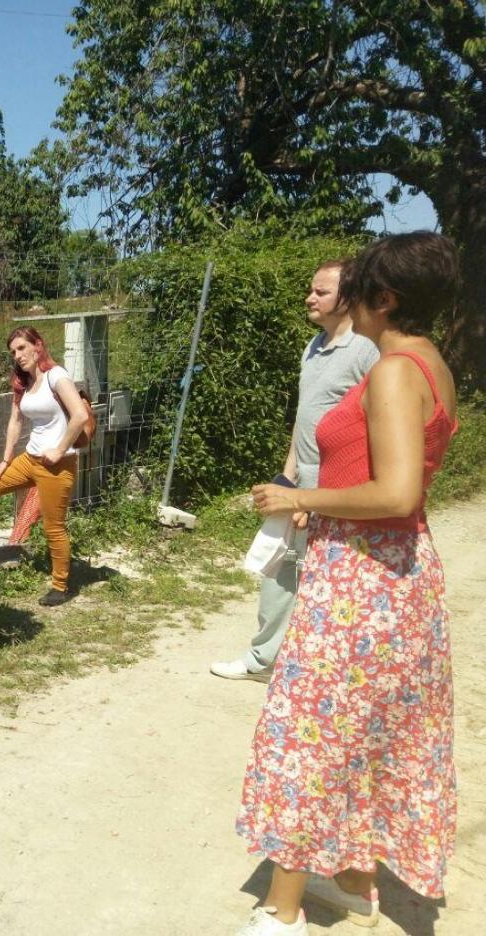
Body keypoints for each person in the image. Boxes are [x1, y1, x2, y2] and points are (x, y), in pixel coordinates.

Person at [236, 232, 461, 935]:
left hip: (360, 579)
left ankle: (284, 911)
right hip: (399, 574)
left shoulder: (394, 371)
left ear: (385, 299)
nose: (349, 302)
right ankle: (352, 878)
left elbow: (394, 491)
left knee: (307, 737)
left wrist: (298, 500)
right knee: (372, 734)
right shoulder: (432, 365)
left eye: (359, 287)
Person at [210, 260, 378, 680]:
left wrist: (319, 495)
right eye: (311, 290)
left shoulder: (366, 352)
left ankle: (320, 672)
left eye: (321, 292)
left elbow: (370, 433)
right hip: (300, 480)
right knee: (278, 569)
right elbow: (305, 420)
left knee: (323, 581)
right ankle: (263, 661)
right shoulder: (313, 346)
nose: (310, 297)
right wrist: (288, 477)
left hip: (335, 489)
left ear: (350, 297)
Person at [0, 326, 91, 606]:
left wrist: (59, 449)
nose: (18, 355)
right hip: (29, 459)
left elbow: (80, 415)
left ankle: (61, 586)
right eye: (13, 352)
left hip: (57, 465)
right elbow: (15, 421)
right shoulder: (24, 382)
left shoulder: (56, 376)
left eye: (22, 348)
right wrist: (5, 459)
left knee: (53, 527)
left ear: (38, 346)